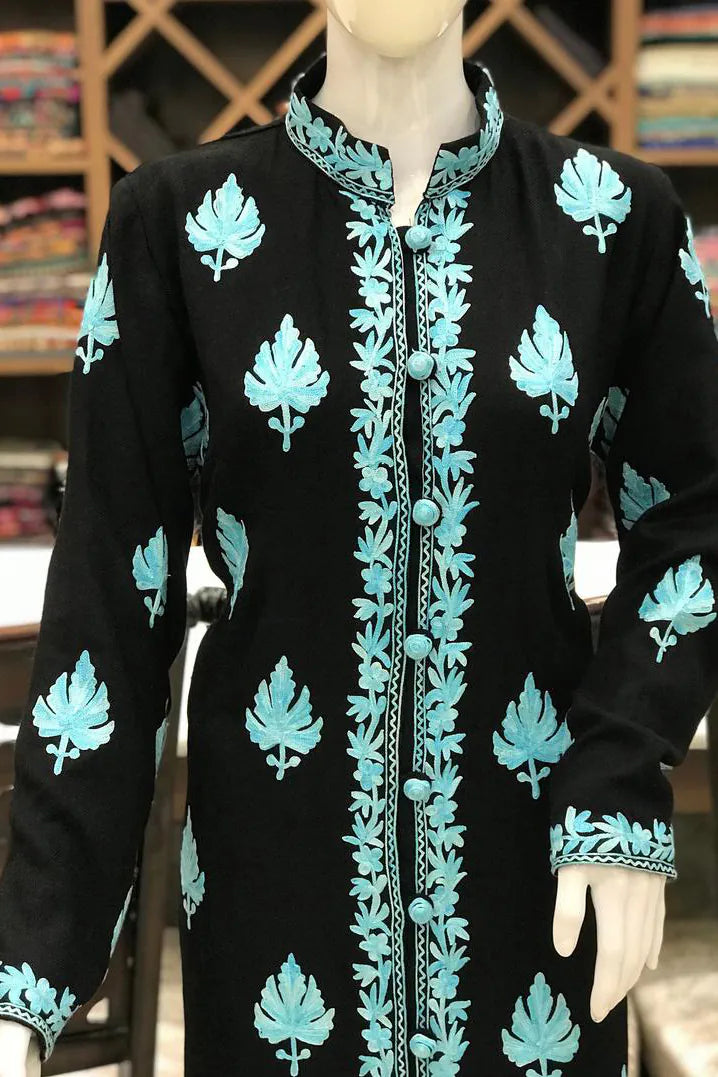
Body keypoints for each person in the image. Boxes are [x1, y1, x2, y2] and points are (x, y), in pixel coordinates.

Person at [2, 2, 717, 1073]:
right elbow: (109, 596)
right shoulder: (178, 222)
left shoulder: (612, 217)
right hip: (274, 900)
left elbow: (695, 511)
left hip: (533, 883)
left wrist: (622, 774)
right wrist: (30, 974)